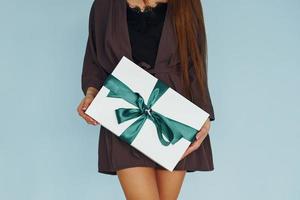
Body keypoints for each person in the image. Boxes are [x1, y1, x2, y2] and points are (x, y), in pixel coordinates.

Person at [77, 0, 215, 199]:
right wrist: (91, 93)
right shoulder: (104, 5)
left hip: (174, 111)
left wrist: (203, 115)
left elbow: (194, 60)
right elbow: (95, 58)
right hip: (124, 109)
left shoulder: (187, 3)